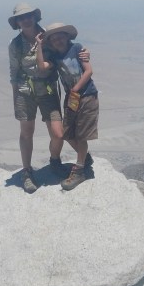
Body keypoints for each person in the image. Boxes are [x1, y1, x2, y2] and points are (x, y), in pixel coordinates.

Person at [8, 3, 64, 193]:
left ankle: (55, 160)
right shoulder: (15, 45)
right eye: (22, 17)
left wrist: (84, 54)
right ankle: (27, 171)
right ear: (17, 22)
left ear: (35, 17)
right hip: (25, 91)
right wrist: (15, 99)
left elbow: (65, 49)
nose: (26, 19)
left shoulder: (48, 37)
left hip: (47, 89)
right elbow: (14, 72)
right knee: (26, 132)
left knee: (58, 133)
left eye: (29, 15)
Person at [35, 22, 98, 191]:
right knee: (67, 133)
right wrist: (39, 46)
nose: (57, 40)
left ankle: (79, 170)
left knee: (81, 135)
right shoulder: (55, 57)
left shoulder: (77, 48)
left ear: (67, 36)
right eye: (53, 38)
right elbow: (41, 67)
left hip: (86, 96)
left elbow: (88, 71)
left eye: (60, 36)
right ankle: (84, 159)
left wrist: (75, 90)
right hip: (72, 99)